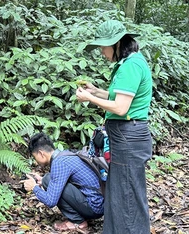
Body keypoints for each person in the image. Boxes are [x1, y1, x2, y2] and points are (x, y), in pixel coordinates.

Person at [76, 20, 153, 234]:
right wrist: (95, 91)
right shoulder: (129, 63)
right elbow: (118, 96)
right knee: (120, 192)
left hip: (129, 138)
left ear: (116, 43)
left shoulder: (131, 66)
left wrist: (89, 98)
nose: (101, 51)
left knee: (128, 196)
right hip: (125, 138)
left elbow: (120, 107)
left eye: (103, 46)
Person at [20, 132, 104, 232]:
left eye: (35, 157)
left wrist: (34, 188)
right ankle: (79, 218)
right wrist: (41, 181)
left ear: (41, 153)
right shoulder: (65, 155)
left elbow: (50, 201)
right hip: (99, 203)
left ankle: (77, 222)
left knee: (48, 179)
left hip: (94, 207)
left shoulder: (58, 163)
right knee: (47, 179)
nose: (35, 161)